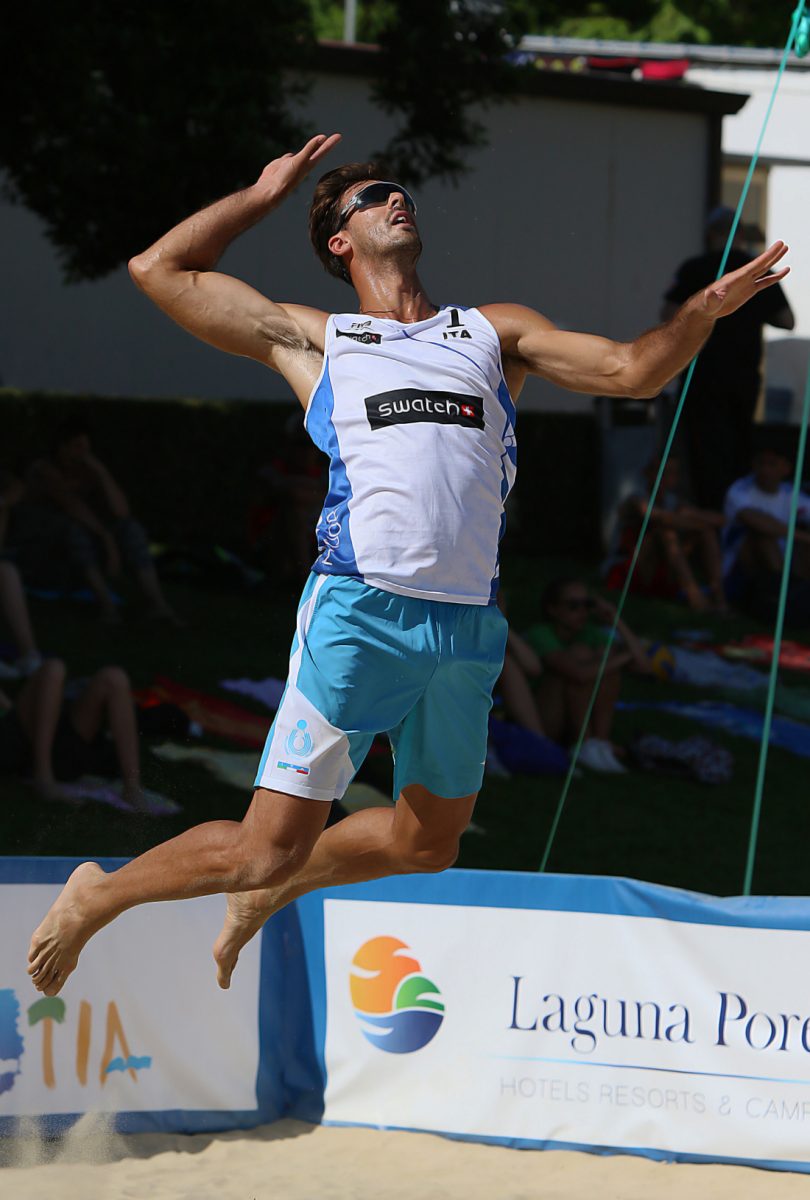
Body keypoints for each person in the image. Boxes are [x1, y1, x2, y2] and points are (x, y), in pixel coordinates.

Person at [27, 132, 791, 998]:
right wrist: (264, 193)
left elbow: (633, 371)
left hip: (468, 623)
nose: (399, 200)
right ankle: (102, 894)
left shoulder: (492, 333)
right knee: (258, 846)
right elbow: (157, 270)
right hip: (361, 610)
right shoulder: (320, 341)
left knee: (426, 844)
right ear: (338, 242)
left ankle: (283, 887)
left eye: (403, 193)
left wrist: (706, 311)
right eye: (374, 196)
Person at [662, 206, 794, 511]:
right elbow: (787, 320)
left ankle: (708, 517)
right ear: (743, 235)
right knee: (738, 448)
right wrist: (752, 309)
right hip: (743, 378)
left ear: (711, 235)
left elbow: (668, 316)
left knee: (701, 452)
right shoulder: (757, 270)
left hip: (700, 376)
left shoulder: (695, 267)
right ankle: (733, 519)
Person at [12, 418, 181, 625]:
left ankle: (157, 603)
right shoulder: (43, 470)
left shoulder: (88, 471)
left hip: (83, 533)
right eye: (77, 446)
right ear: (61, 447)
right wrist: (107, 539)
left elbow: (121, 512)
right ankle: (107, 607)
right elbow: (71, 505)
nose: (83, 453)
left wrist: (102, 473)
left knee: (131, 530)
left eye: (86, 447)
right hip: (43, 545)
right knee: (74, 531)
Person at [524, 579, 652, 773]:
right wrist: (622, 658)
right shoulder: (539, 634)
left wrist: (616, 621)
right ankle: (586, 744)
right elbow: (578, 675)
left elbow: (645, 668)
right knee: (585, 657)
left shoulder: (590, 633)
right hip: (544, 722)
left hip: (570, 719)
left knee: (602, 664)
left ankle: (599, 743)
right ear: (552, 609)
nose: (582, 611)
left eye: (587, 605)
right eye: (573, 605)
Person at [0, 660, 157, 810]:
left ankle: (132, 786)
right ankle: (43, 776)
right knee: (53, 668)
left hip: (66, 751)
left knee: (114, 677)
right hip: (23, 744)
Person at [605, 452, 726, 612]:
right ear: (647, 473)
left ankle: (719, 596)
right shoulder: (635, 499)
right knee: (666, 532)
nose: (664, 477)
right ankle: (695, 597)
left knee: (706, 532)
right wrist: (692, 519)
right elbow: (660, 517)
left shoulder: (673, 502)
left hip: (664, 571)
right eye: (660, 471)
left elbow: (719, 520)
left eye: (671, 472)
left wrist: (694, 519)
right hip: (630, 571)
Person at [722, 445, 810, 612]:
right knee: (763, 536)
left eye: (772, 464)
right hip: (739, 568)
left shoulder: (790, 493)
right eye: (760, 463)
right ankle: (782, 593)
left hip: (785, 562)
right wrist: (803, 537)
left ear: (786, 468)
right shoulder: (740, 490)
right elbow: (756, 521)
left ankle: (798, 595)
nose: (764, 470)